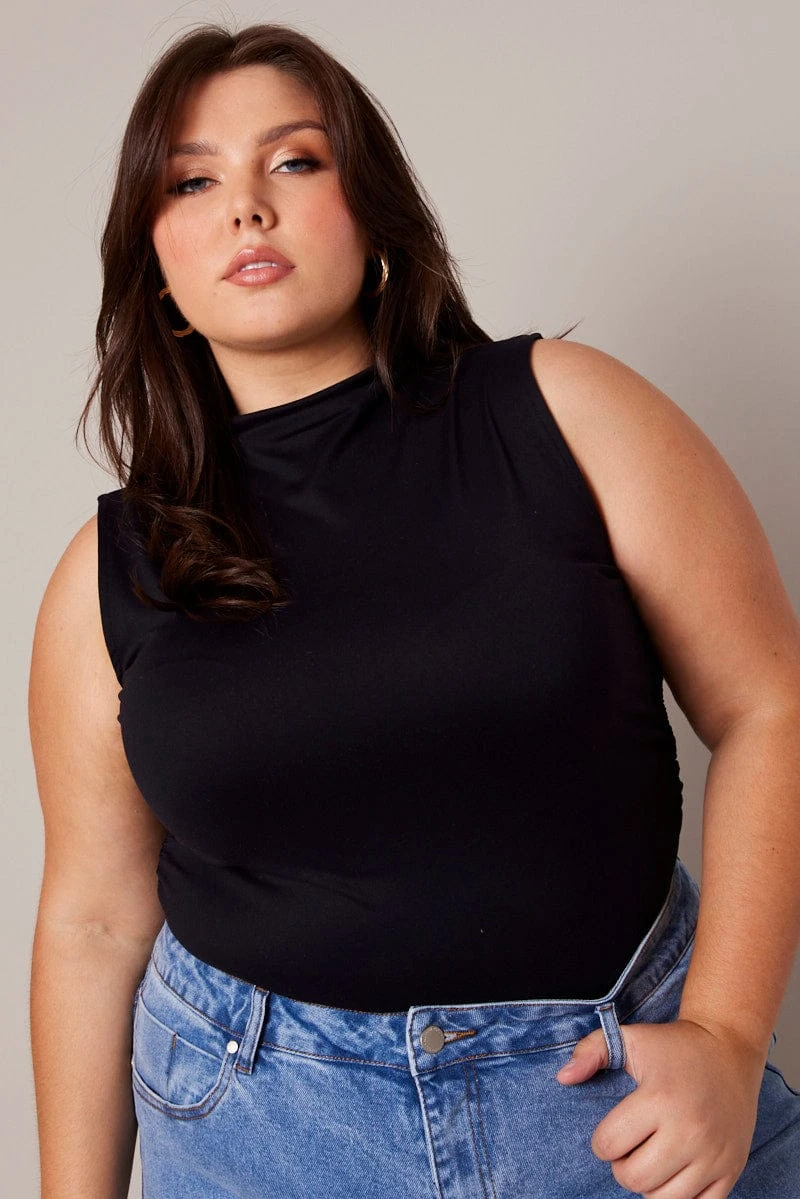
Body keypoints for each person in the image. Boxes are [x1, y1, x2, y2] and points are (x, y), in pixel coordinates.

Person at [27, 20, 800, 1199]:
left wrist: (727, 1036)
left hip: (621, 1105)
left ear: (375, 214)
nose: (247, 207)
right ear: (158, 270)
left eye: (294, 160)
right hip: (255, 1133)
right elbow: (91, 922)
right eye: (192, 181)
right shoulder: (109, 571)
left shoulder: (565, 414)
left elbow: (767, 702)